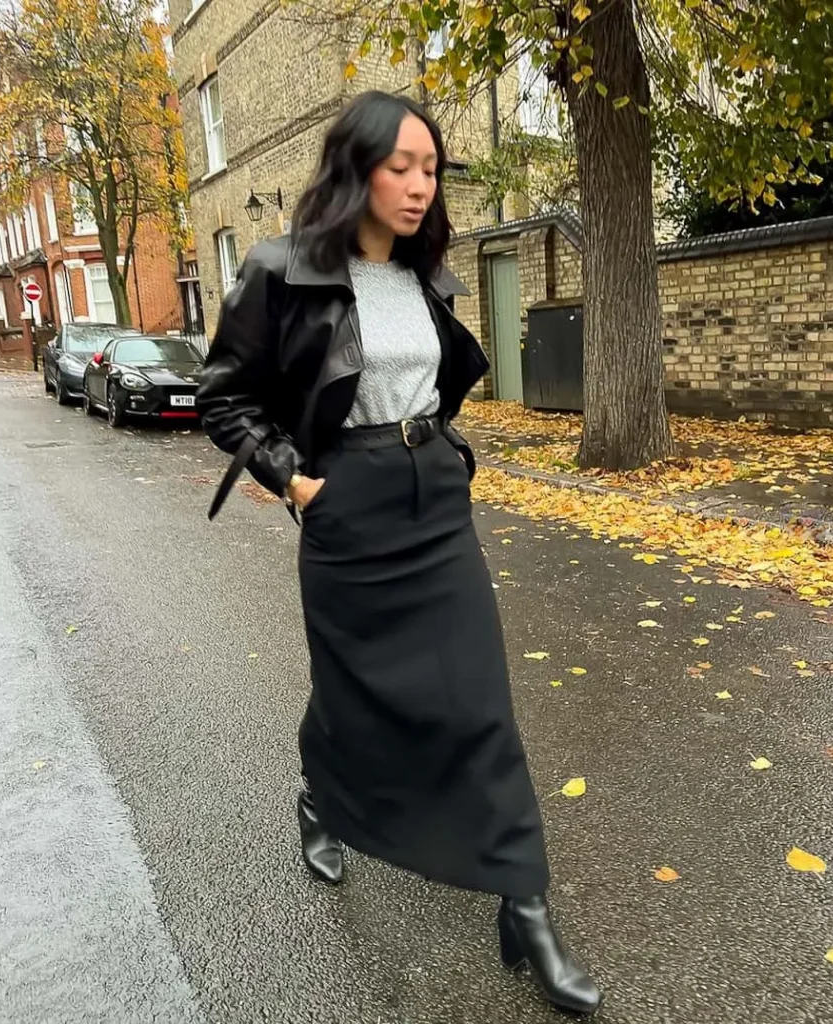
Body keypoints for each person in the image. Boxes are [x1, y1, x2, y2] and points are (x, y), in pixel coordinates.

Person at [196, 89, 602, 1016]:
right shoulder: (279, 269)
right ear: (356, 169)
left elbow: (438, 382)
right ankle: (320, 801)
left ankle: (524, 905)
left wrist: (443, 454)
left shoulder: (427, 276)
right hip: (347, 505)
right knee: (358, 693)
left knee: (478, 700)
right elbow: (222, 398)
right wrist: (293, 481)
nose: (421, 187)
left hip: (434, 506)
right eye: (401, 167)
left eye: (431, 169)